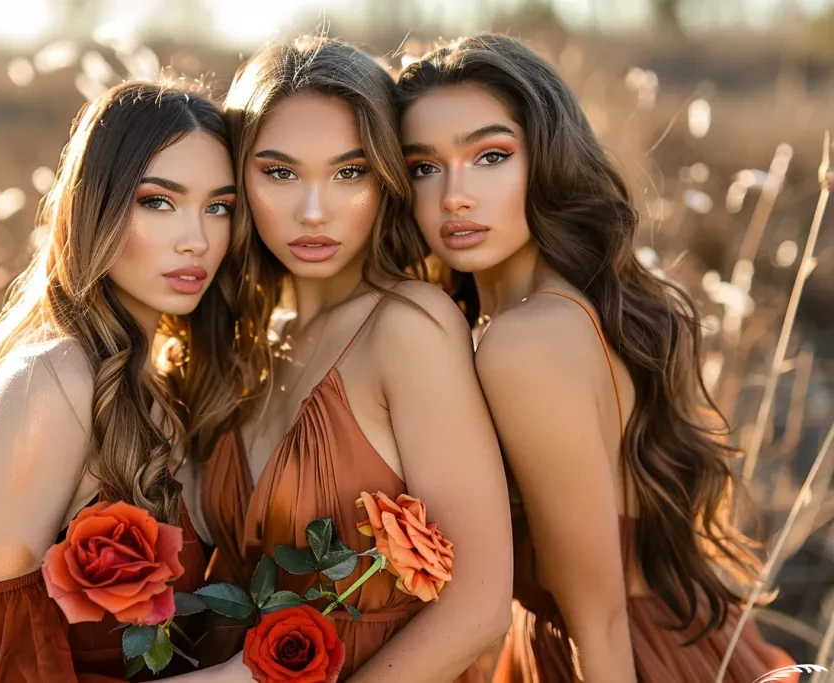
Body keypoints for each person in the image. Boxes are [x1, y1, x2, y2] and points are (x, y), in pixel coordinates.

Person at [395, 33, 797, 683]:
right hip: (679, 636)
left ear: (549, 159)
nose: (455, 195)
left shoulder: (524, 342)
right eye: (423, 166)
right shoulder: (574, 307)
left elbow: (599, 616)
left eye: (491, 155)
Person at [196, 35, 514, 682]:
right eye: (280, 172)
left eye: (350, 172)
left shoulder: (410, 327)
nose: (314, 211)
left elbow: (480, 607)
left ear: (388, 177)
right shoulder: (249, 339)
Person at [0, 81, 257, 682]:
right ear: (96, 208)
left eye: (220, 206)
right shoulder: (51, 381)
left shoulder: (174, 377)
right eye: (159, 201)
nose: (199, 239)